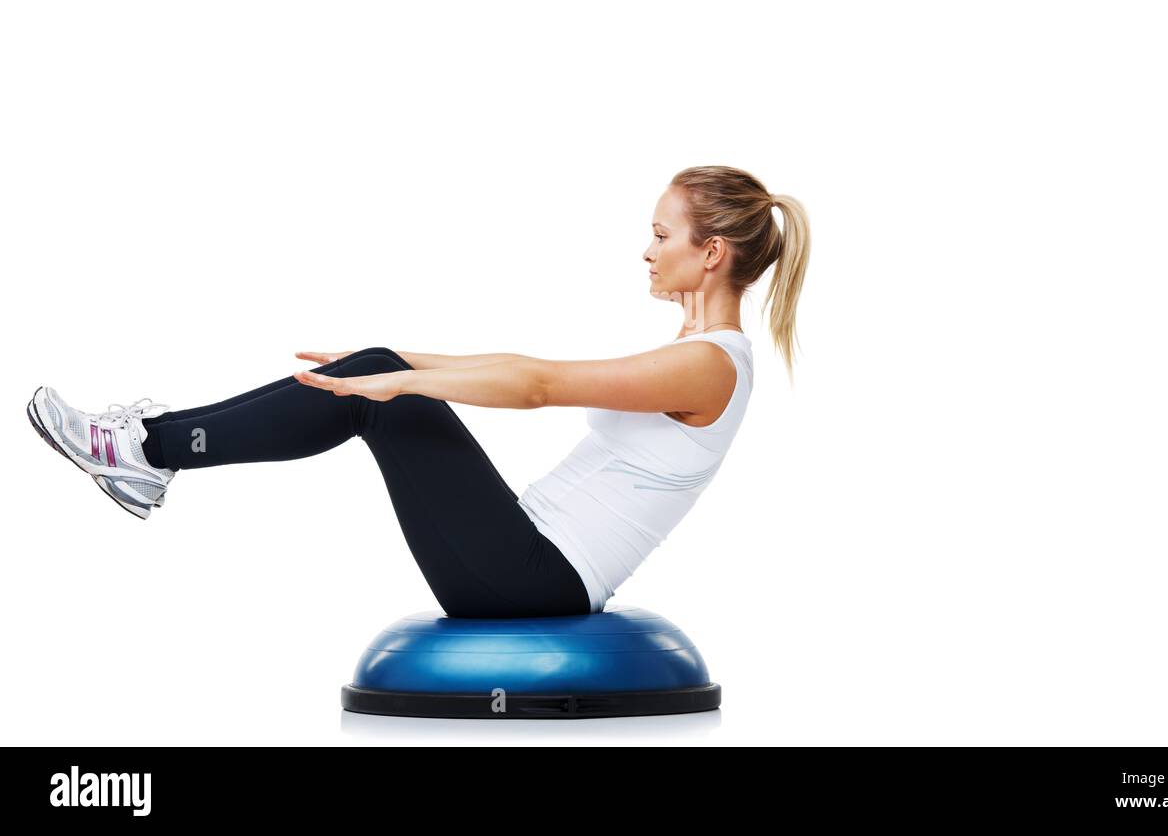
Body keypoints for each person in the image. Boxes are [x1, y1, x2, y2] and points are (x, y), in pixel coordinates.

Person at [27, 166, 810, 618]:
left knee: (379, 389)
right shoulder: (692, 351)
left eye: (662, 236)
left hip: (533, 579)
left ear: (711, 253)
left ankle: (144, 451)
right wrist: (396, 359)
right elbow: (519, 369)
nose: (645, 250)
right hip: (524, 551)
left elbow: (538, 383)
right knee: (375, 374)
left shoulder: (712, 364)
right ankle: (149, 448)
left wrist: (395, 380)